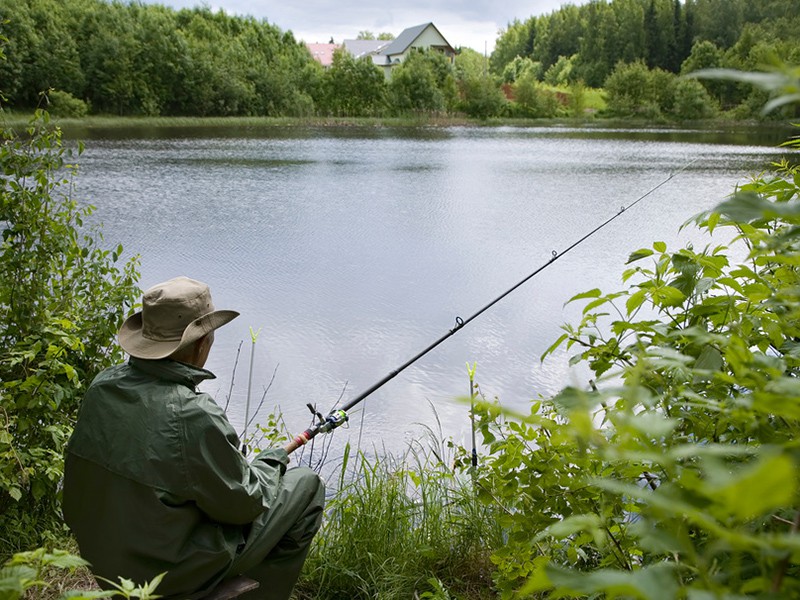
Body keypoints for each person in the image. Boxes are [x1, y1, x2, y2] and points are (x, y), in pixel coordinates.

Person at [63, 276, 325, 600]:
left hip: (101, 560)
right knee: (306, 485)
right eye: (210, 336)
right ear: (201, 344)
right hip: (164, 574)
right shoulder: (192, 413)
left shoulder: (102, 386)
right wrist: (269, 461)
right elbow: (246, 504)